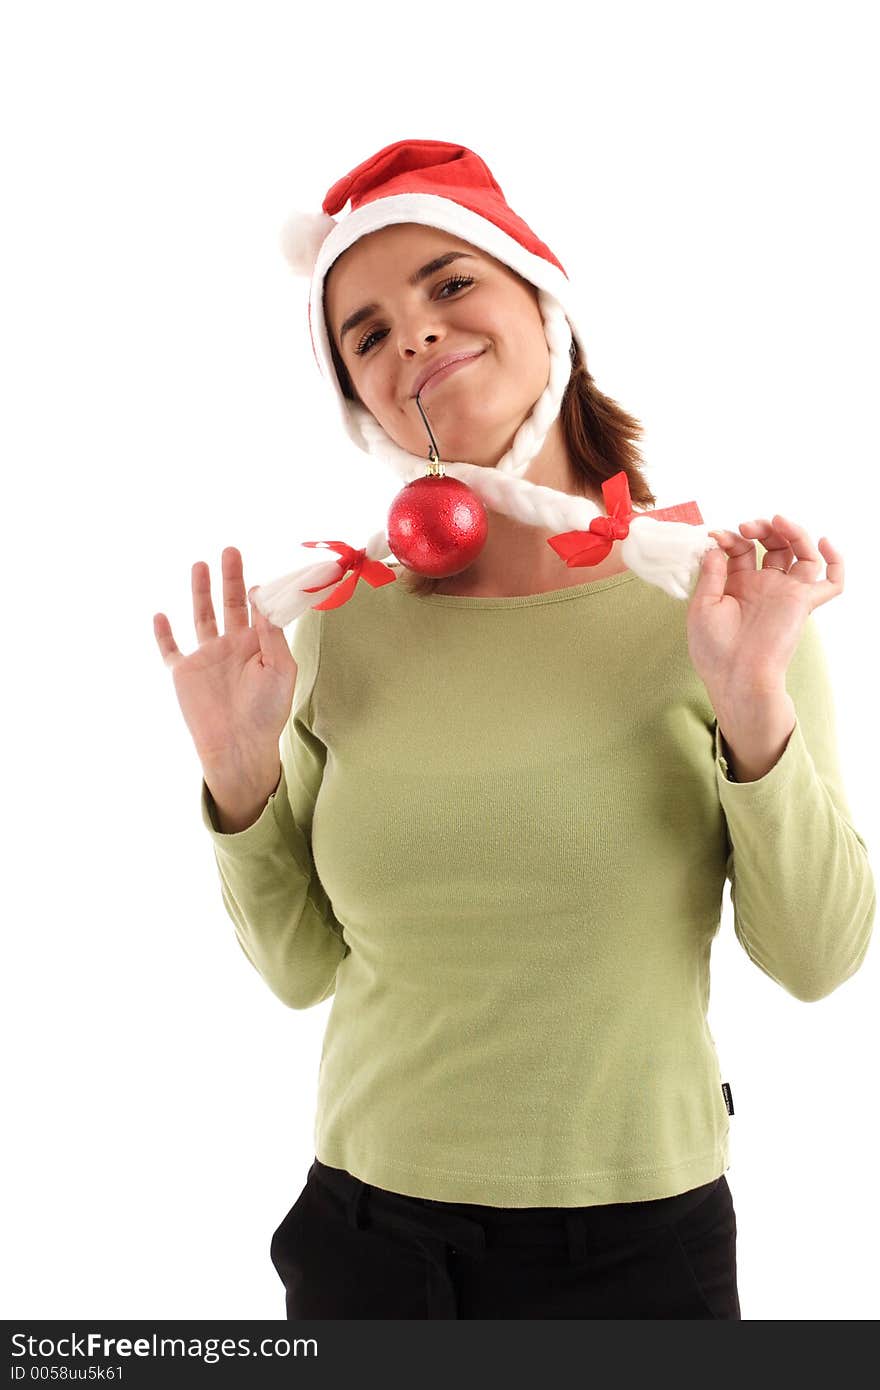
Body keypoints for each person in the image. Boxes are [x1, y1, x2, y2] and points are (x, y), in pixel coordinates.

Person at [153, 139, 876, 1320]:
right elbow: (297, 974)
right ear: (357, 397)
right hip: (360, 1238)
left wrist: (752, 706)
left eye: (449, 285)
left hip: (633, 1251)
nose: (414, 338)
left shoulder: (722, 603)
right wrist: (237, 780)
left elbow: (817, 959)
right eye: (367, 334)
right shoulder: (343, 622)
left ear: (544, 306)